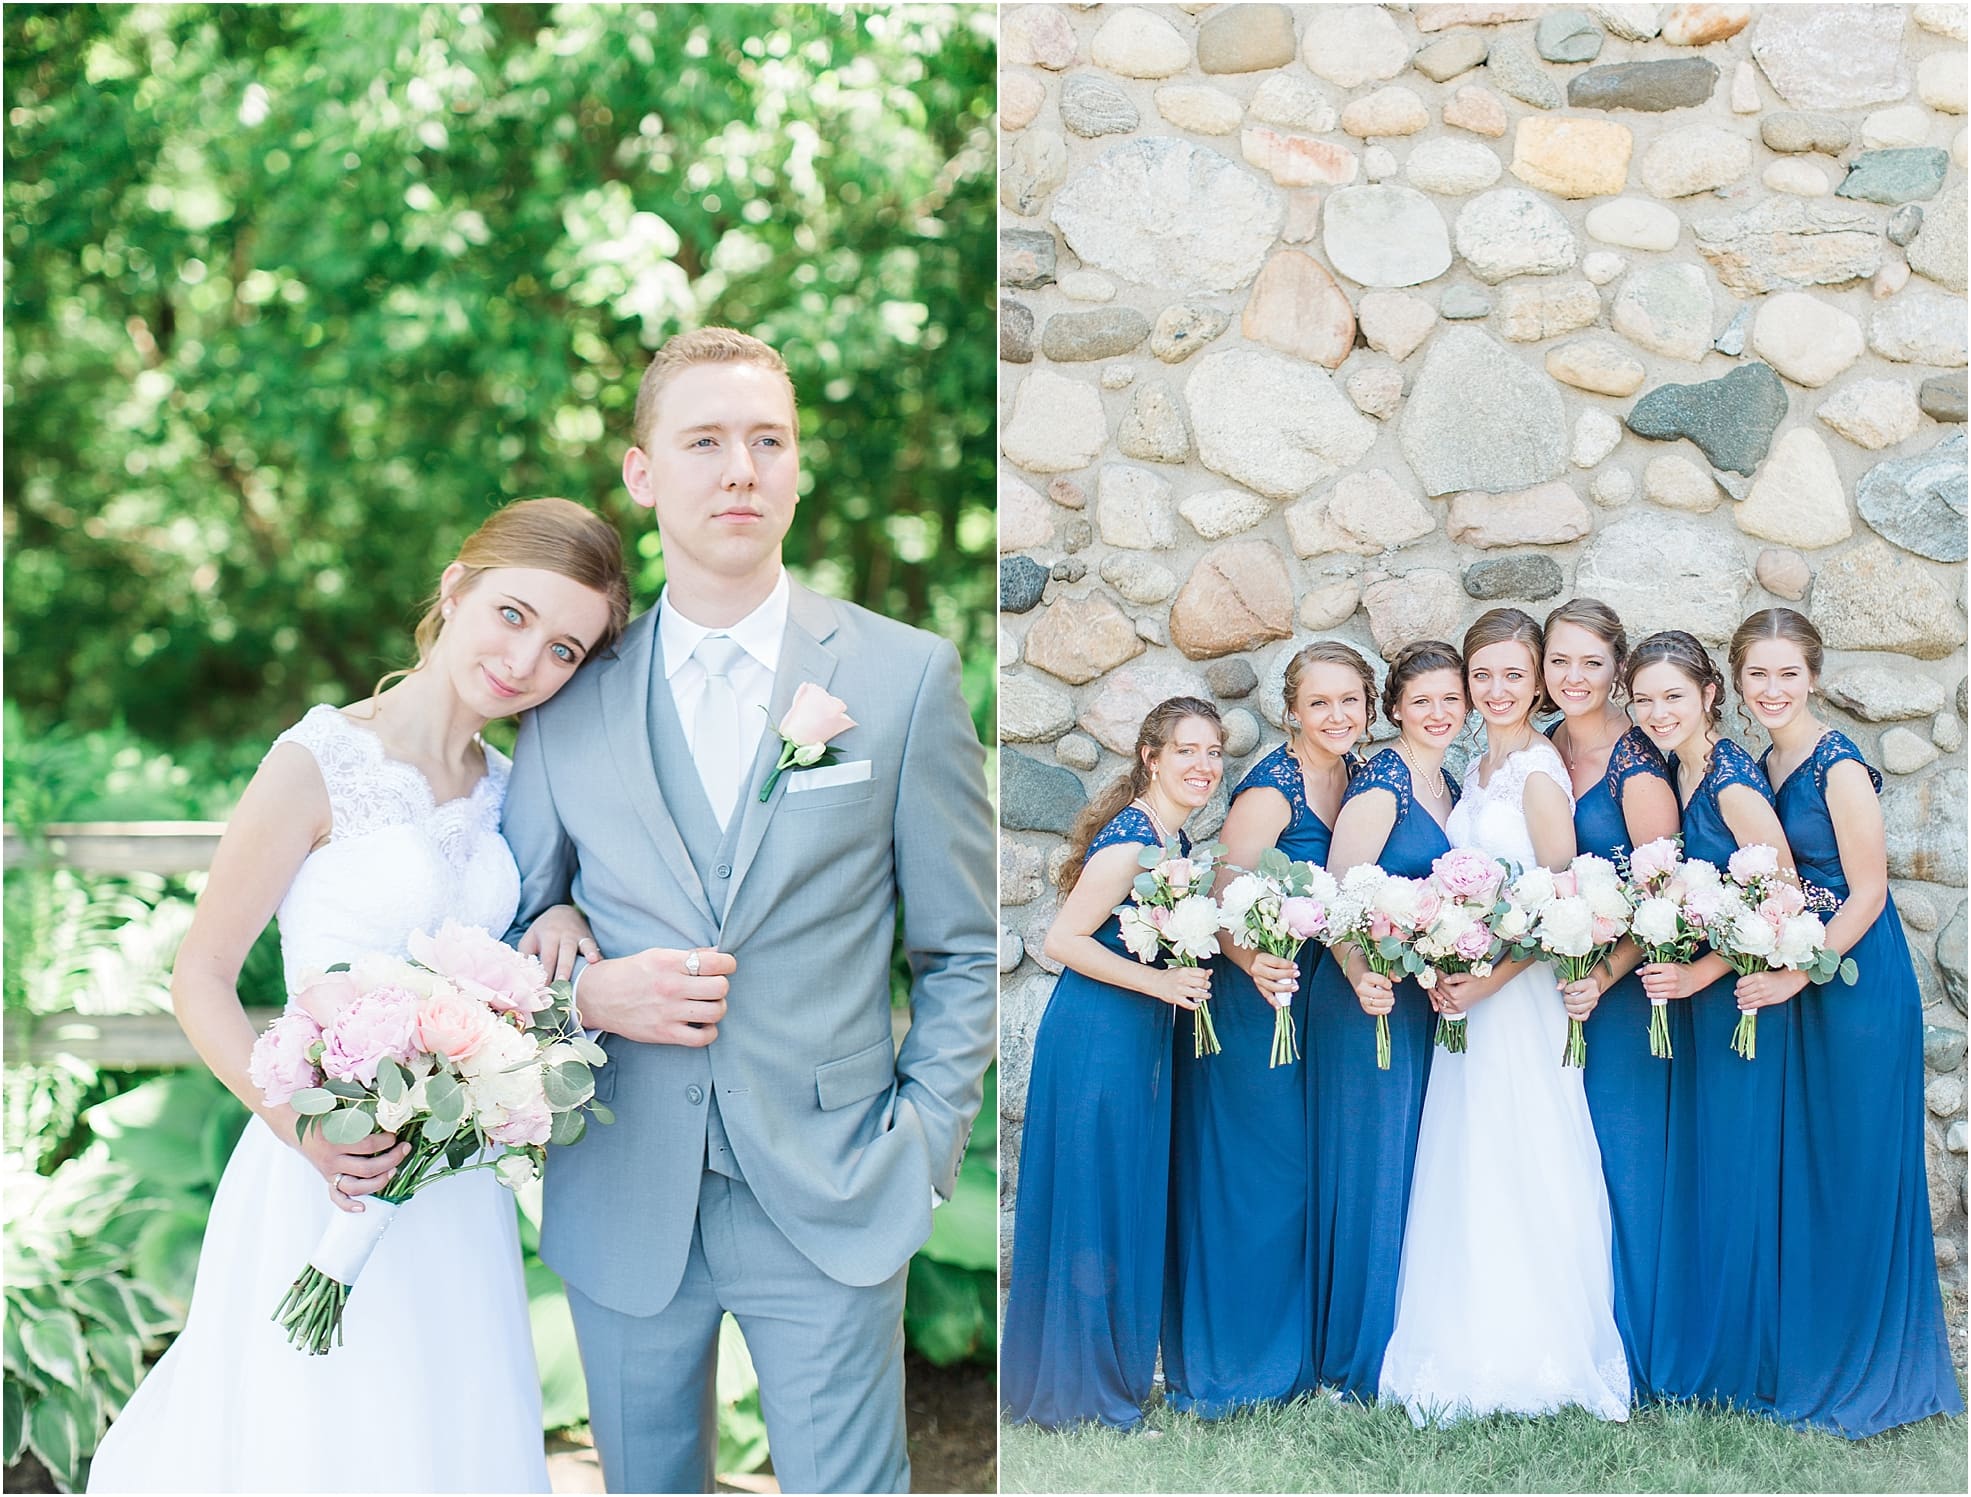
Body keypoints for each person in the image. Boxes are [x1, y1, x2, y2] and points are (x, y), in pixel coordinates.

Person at [499, 328, 995, 1494]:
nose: (740, 469)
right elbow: (517, 918)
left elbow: (961, 948)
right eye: (706, 441)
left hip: (831, 1188)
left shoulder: (900, 677)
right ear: (641, 473)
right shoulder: (568, 693)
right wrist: (574, 976)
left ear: (798, 468)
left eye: (768, 441)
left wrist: (923, 1150)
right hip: (624, 1186)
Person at [87, 498, 632, 1493]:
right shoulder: (318, 760)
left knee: (442, 1434)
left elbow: (521, 948)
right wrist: (302, 1127)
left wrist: (561, 920)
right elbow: (200, 977)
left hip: (456, 1188)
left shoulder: (517, 790)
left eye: (563, 649)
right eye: (512, 615)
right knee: (315, 1438)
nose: (524, 661)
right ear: (457, 587)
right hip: (321, 1166)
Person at [1378, 609, 1630, 1426]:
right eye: (1479, 675)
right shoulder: (1475, 769)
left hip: (1517, 1000)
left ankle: (1537, 1351)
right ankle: (1462, 1333)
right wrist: (1451, 958)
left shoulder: (1534, 771)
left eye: (1512, 675)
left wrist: (1488, 978)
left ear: (1536, 681)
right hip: (1470, 994)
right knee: (1469, 1153)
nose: (1493, 690)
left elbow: (1560, 897)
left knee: (1525, 1149)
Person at [1731, 608, 1963, 1437]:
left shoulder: (1838, 765)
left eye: (1786, 673)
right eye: (1756, 674)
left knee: (1858, 1169)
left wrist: (1798, 968)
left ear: (1814, 676)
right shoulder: (1767, 758)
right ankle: (1813, 1348)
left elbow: (1868, 889)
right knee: (1812, 1167)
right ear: (1737, 680)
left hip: (1854, 984)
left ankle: (1876, 1365)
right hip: (1804, 979)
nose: (1771, 688)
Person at [1001, 697, 1225, 1431]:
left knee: (1122, 1193)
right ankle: (1082, 1391)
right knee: (1096, 1198)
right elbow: (1062, 940)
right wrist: (1162, 981)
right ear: (1150, 758)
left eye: (1213, 751)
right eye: (1186, 750)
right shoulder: (1132, 842)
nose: (1203, 765)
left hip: (1134, 1035)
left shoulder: (1173, 837)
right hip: (1097, 1037)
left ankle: (1108, 1375)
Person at [1166, 645, 1372, 1418]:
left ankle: (1295, 1356)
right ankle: (1237, 1367)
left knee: (1300, 1177)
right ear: (1291, 710)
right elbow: (1222, 899)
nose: (1336, 716)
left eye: (1349, 700)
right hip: (1258, 1002)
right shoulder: (1270, 790)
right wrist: (1256, 965)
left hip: (1309, 999)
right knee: (1260, 1182)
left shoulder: (1355, 777)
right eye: (1319, 703)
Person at [1628, 630, 1797, 1415]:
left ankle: (1740, 1363)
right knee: (1709, 1168)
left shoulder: (1729, 782)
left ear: (1707, 696)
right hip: (1704, 1012)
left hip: (1738, 1009)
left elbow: (1784, 895)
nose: (1657, 711)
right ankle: (1715, 1346)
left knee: (1735, 1172)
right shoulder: (1683, 767)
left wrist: (1699, 970)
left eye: (1673, 695)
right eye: (1645, 697)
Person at [1307, 640, 1463, 1403]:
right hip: (1366, 999)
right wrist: (1361, 973)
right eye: (1422, 699)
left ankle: (1398, 1337)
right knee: (1369, 1170)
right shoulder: (1381, 784)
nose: (1437, 712)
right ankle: (1355, 1357)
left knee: (1406, 1166)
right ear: (1393, 708)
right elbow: (1337, 901)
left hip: (1419, 1000)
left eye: (1449, 699)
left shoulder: (1450, 783)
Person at [1541, 598, 1680, 1400]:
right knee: (1569, 1164)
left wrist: (1604, 974)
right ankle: (1579, 1330)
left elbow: (1660, 895)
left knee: (1625, 1167)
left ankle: (1641, 1348)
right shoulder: (1546, 748)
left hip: (1622, 997)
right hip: (1558, 992)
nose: (1573, 676)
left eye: (1591, 661)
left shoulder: (1637, 762)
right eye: (1559, 660)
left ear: (1617, 669)